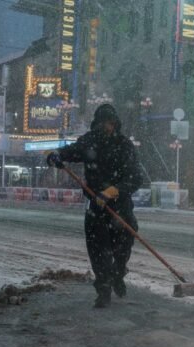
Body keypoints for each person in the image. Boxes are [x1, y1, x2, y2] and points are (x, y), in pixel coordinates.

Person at [46, 104, 142, 309]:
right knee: (98, 252)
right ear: (96, 124)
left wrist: (112, 191)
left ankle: (118, 273)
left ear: (115, 124)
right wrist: (56, 155)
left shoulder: (124, 146)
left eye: (108, 123)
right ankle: (103, 290)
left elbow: (135, 178)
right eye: (101, 123)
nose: (105, 127)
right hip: (96, 208)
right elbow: (70, 151)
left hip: (120, 208)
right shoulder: (89, 142)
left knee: (123, 246)